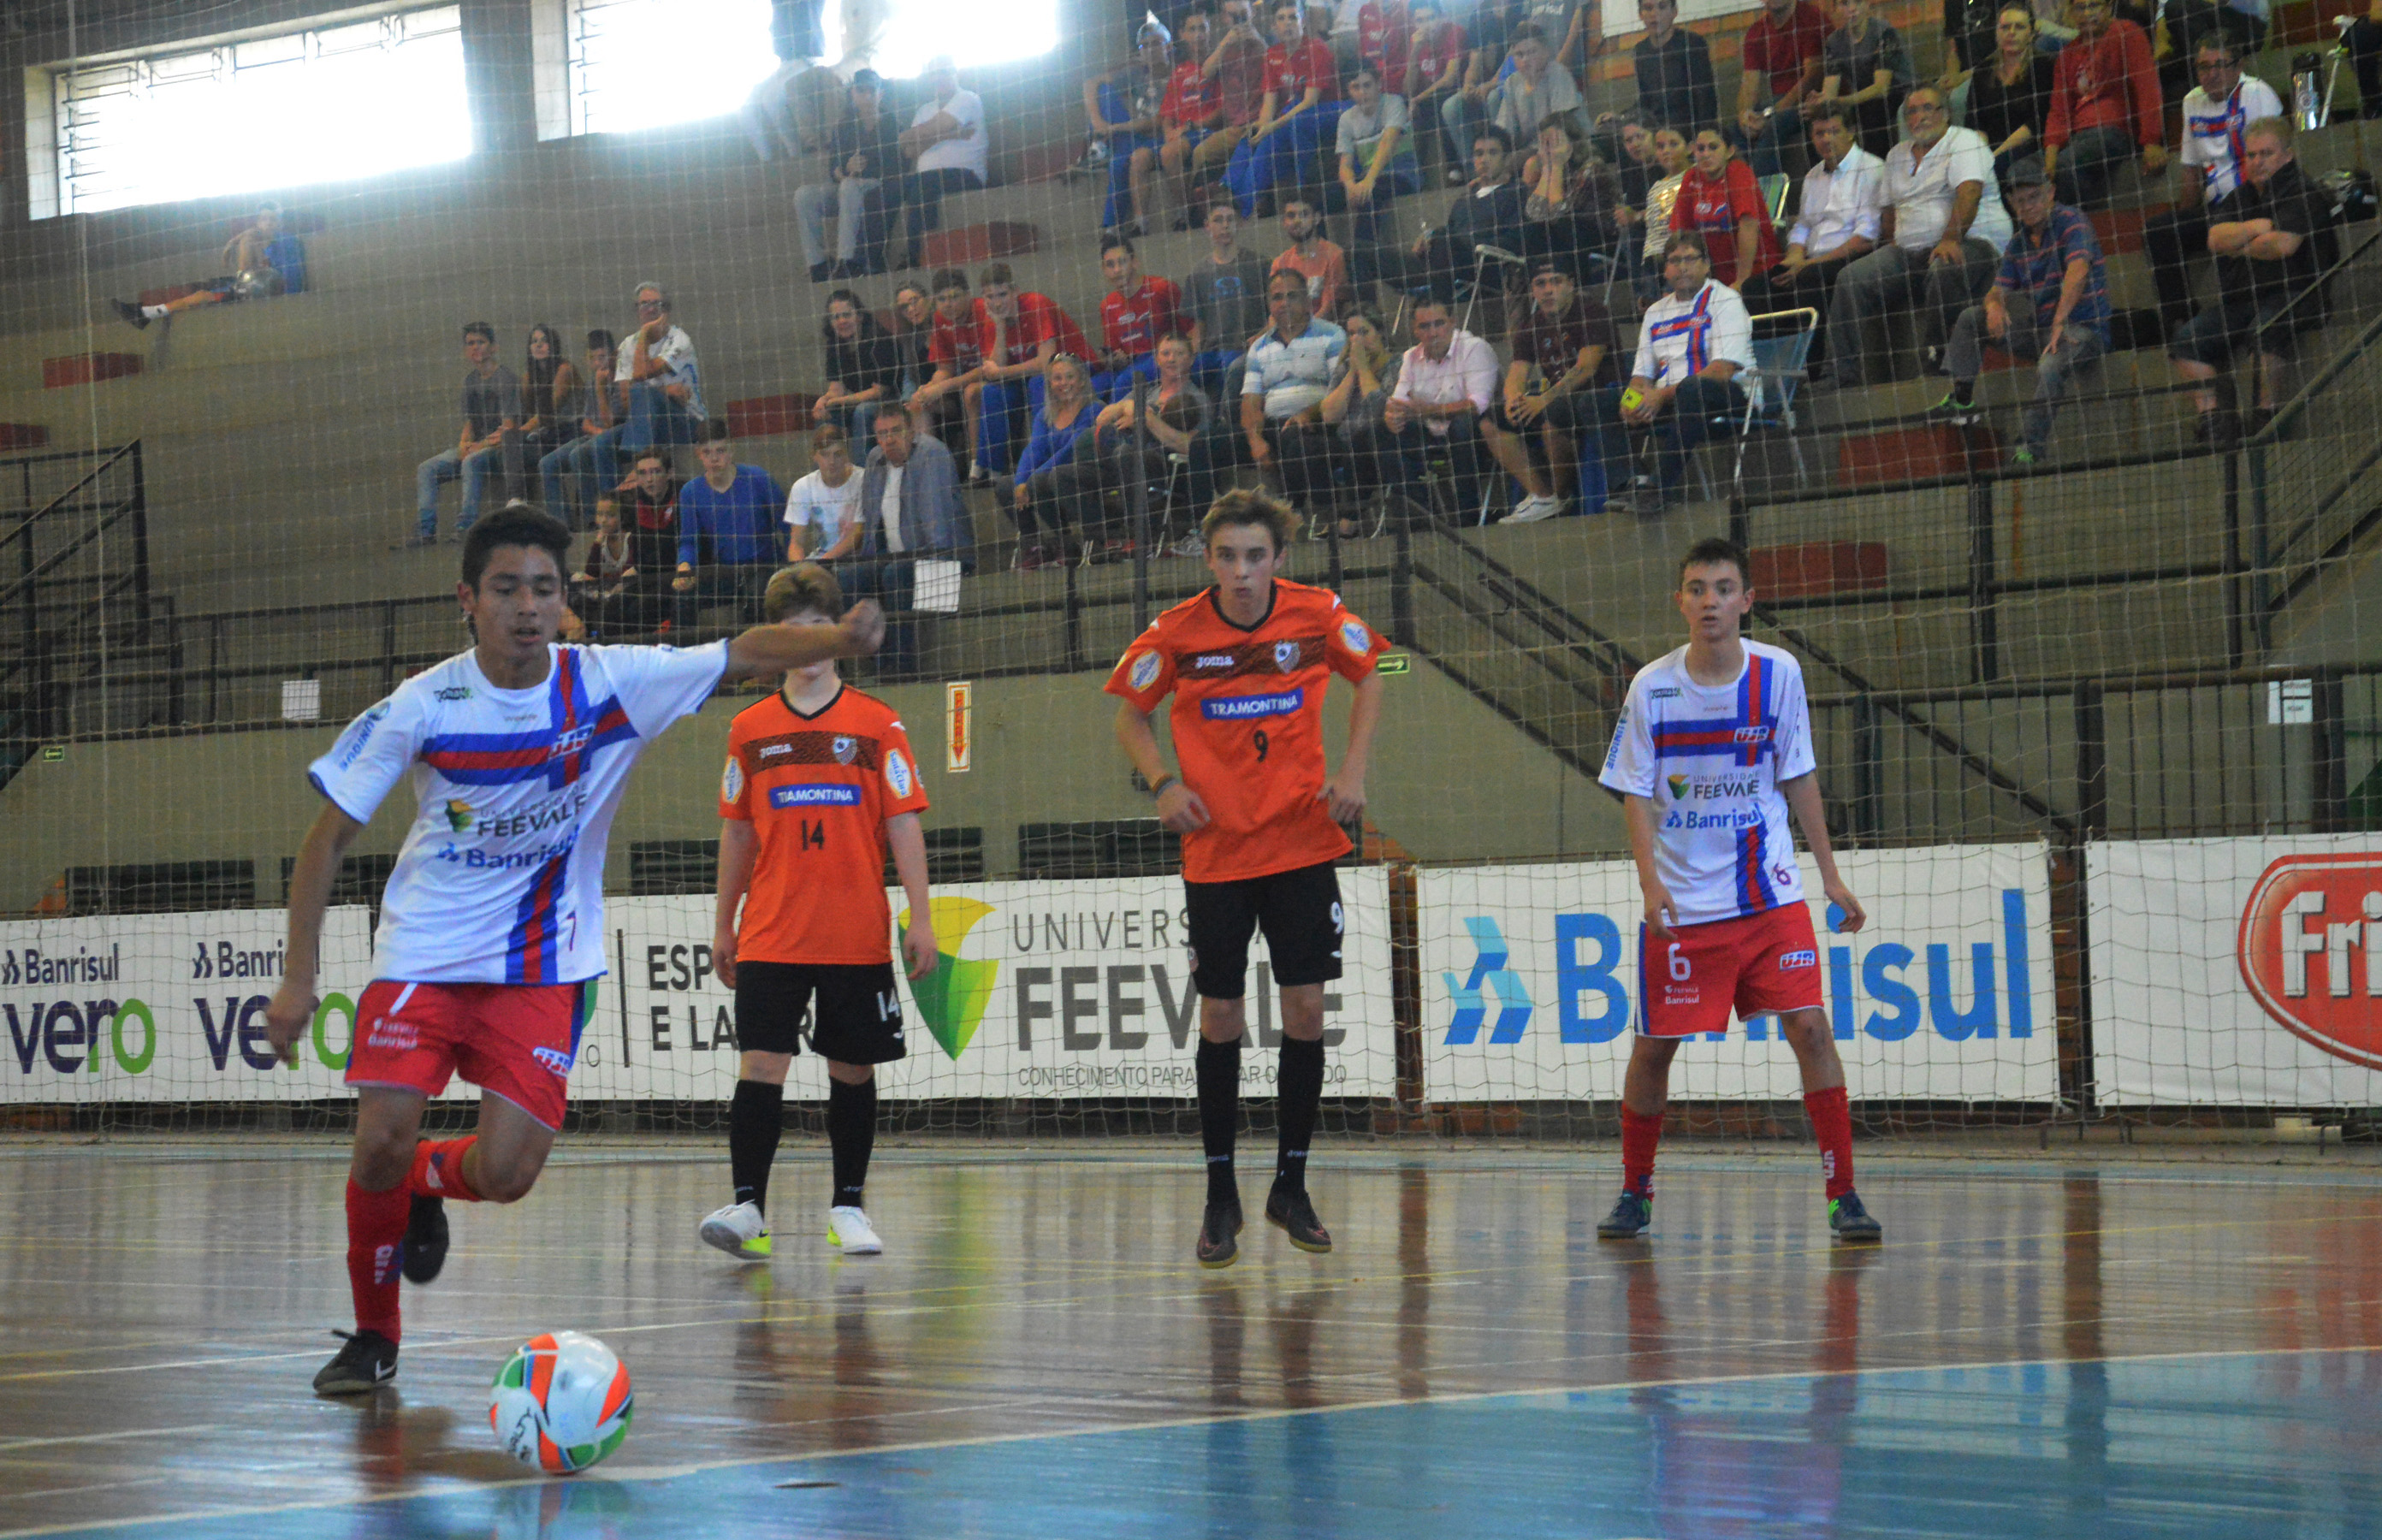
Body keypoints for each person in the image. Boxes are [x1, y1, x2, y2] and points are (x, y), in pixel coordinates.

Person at [264, 503, 885, 1395]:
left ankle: (428, 1183)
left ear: (565, 601)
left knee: (508, 1174)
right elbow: (326, 839)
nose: (527, 606)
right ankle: (373, 1335)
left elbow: (739, 652)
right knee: (378, 1141)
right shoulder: (423, 702)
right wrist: (298, 979)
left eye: (545, 590)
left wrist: (843, 644)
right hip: (423, 959)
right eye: (507, 588)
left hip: (546, 966)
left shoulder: (606, 683)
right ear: (467, 601)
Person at [1105, 489, 1388, 1268]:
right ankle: (1219, 1195)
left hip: (1302, 846)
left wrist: (1353, 768)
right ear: (1208, 560)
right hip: (1218, 855)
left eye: (1255, 556)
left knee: (1304, 1011)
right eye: (1227, 557)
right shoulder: (1176, 633)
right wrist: (1163, 782)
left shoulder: (1318, 613)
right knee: (1221, 1018)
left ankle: (1290, 1188)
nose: (1241, 571)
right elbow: (1129, 712)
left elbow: (1373, 676)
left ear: (1279, 558)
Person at [1590, 535, 1878, 1245]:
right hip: (1687, 908)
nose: (1709, 600)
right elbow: (1633, 792)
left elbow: (1799, 775)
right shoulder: (1652, 687)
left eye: (1723, 588)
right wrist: (1650, 885)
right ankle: (1635, 1191)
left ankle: (1844, 1195)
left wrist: (1830, 876)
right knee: (1655, 1049)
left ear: (1747, 601)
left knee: (1811, 1027)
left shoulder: (1778, 674)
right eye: (1697, 588)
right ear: (1680, 601)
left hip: (1770, 898)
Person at [699, 562, 935, 1265]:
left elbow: (904, 825)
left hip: (854, 933)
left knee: (853, 1071)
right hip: (772, 931)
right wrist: (723, 923)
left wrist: (920, 918)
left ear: (835, 638)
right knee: (760, 1065)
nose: (803, 648)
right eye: (789, 637)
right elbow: (737, 831)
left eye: (814, 634)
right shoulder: (748, 729)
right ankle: (748, 1210)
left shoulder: (877, 724)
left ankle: (848, 1208)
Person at [1827, 87, 2012, 388]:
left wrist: (1950, 239)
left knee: (1943, 267)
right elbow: (1889, 212)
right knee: (1851, 278)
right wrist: (1894, 249)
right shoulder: (1896, 155)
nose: (1920, 116)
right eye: (1912, 111)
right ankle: (1839, 374)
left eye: (1928, 108)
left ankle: (1936, 363)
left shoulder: (1964, 141)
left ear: (1946, 112)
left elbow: (1969, 194)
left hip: (1974, 244)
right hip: (1909, 252)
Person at [1930, 158, 2110, 465]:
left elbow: (2077, 271)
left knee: (2049, 367)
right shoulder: (2018, 243)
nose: (2027, 207)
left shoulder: (2072, 222)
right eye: (2019, 201)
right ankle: (1961, 399)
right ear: (2011, 204)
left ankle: (2030, 446)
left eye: (2033, 197)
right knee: (1971, 318)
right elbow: (1998, 288)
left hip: (2083, 329)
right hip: (2042, 331)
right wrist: (1994, 306)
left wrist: (2059, 320)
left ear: (2050, 193)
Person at [2169, 116, 2337, 445]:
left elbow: (2283, 245)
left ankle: (2266, 415)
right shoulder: (2240, 197)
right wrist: (2261, 227)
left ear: (2287, 155)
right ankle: (2213, 419)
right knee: (2186, 340)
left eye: (2267, 153)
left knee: (2263, 328)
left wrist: (2241, 243)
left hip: (2299, 292)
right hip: (2243, 298)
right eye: (2252, 155)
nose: (2258, 162)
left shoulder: (2305, 192)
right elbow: (2215, 239)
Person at [1582, 231, 1754, 515]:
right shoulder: (1655, 312)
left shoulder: (1725, 300)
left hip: (1724, 398)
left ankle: (1658, 490)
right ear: (1665, 269)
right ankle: (1631, 484)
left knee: (1692, 389)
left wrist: (1659, 396)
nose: (1682, 267)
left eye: (1690, 259)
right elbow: (1640, 377)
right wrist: (1631, 400)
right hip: (1672, 400)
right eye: (1674, 260)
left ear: (1706, 265)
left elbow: (1722, 370)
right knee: (1596, 401)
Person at [2145, 38, 2284, 339]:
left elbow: (2275, 157)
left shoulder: (2257, 94)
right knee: (2159, 230)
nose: (2212, 74)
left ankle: (2239, 317)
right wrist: (2186, 218)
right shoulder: (2191, 102)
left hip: (2255, 202)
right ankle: (2180, 317)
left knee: (2228, 231)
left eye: (2220, 65)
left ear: (2239, 66)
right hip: (2216, 207)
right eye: (2204, 67)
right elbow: (2190, 168)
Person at [1738, 105, 1881, 370]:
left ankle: (1812, 369)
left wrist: (1807, 265)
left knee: (1808, 279)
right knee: (1757, 289)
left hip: (1849, 256)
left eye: (1833, 131)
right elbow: (1802, 226)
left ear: (1851, 132)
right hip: (1809, 260)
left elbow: (1866, 238)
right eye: (1819, 133)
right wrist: (1794, 257)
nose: (1826, 139)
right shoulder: (1813, 175)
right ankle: (1774, 372)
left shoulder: (1872, 169)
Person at [850, 409, 970, 678]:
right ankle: (876, 662)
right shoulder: (874, 458)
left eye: (896, 431)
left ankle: (902, 668)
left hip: (939, 557)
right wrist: (868, 562)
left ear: (911, 432)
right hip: (892, 555)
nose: (889, 439)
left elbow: (936, 521)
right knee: (851, 577)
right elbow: (871, 521)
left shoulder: (931, 455)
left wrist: (940, 583)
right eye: (882, 433)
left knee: (895, 574)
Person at [1385, 299, 1528, 521]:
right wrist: (1392, 417)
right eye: (1424, 326)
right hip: (1433, 435)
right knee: (1382, 434)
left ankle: (1467, 515)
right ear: (1414, 330)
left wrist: (1426, 411)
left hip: (1481, 437)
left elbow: (1476, 405)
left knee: (1463, 425)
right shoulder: (1410, 357)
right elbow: (1398, 403)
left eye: (1439, 323)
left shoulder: (1475, 348)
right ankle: (1421, 517)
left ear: (1452, 322)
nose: (1433, 333)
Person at [1499, 258, 1620, 515]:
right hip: (1558, 400)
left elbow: (1586, 367)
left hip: (1599, 396)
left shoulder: (1593, 312)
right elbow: (1517, 371)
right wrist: (1513, 398)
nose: (1548, 289)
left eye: (1556, 281)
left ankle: (1559, 496)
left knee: (1553, 411)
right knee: (1494, 419)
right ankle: (1541, 494)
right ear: (1532, 290)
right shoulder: (1532, 325)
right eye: (1540, 284)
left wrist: (1543, 399)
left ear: (1571, 285)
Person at [1241, 270, 1350, 519]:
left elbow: (1342, 390)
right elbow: (1250, 401)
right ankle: (1197, 530)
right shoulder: (1259, 346)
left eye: (1292, 296)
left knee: (1296, 440)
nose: (1284, 303)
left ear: (1307, 300)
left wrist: (1307, 413)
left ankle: (1293, 516)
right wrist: (1255, 441)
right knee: (1208, 442)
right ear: (1269, 304)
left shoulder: (1332, 335)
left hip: (1320, 424)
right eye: (1277, 297)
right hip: (1272, 426)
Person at [1094, 331, 1223, 542]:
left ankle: (1141, 536)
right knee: (1074, 467)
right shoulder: (1146, 393)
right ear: (1157, 359)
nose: (1172, 359)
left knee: (1125, 453)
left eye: (1179, 353)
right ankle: (1102, 543)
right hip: (1125, 456)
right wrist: (1131, 406)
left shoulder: (1198, 399)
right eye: (1166, 353)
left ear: (1191, 359)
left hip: (1168, 463)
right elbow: (1101, 419)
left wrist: (1146, 420)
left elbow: (1193, 446)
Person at [974, 264, 1096, 480]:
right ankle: (991, 469)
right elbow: (992, 370)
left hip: (1075, 369)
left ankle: (1049, 456)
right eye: (990, 297)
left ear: (1016, 291)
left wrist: (1001, 371)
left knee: (1039, 383)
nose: (997, 302)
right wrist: (1000, 327)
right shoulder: (993, 317)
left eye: (1003, 294)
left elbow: (1045, 363)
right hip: (1025, 376)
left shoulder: (1035, 304)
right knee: (992, 392)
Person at [2041, 0, 2165, 210]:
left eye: (2094, 6)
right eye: (2080, 8)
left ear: (2108, 8)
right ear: (2071, 13)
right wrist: (2050, 156)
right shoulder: (2067, 55)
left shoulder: (2128, 33)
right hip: (2078, 141)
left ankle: (2083, 227)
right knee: (2021, 172)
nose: (2087, 13)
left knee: (2066, 165)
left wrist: (2151, 140)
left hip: (2115, 134)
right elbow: (2058, 112)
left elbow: (2147, 88)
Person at [1225, 1, 1346, 216]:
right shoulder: (1272, 54)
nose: (1287, 23)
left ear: (1303, 22)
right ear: (1273, 27)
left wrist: (1272, 125)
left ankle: (1303, 193)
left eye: (1293, 17)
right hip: (1291, 116)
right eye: (1281, 19)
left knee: (1288, 126)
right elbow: (1268, 105)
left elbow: (1310, 102)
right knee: (1254, 137)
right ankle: (1234, 201)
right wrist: (1261, 126)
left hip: (1329, 111)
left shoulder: (1316, 48)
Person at [406, 322, 518, 550]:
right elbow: (469, 421)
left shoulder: (505, 378)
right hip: (477, 446)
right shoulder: (469, 381)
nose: (475, 348)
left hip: (500, 450)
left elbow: (509, 426)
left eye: (481, 342)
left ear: (494, 347)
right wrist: (464, 443)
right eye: (470, 343)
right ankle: (425, 530)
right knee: (427, 468)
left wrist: (478, 447)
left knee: (470, 462)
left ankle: (466, 526)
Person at [108, 201, 305, 329]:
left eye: (273, 219)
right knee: (202, 295)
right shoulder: (266, 243)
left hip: (279, 292)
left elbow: (260, 248)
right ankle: (147, 313)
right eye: (263, 219)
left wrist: (234, 241)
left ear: (280, 223)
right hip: (260, 288)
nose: (268, 223)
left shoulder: (287, 240)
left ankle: (146, 314)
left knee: (246, 241)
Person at [672, 421, 785, 631]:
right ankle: (683, 657)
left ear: (731, 450)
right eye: (707, 452)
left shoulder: (758, 478)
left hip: (764, 565)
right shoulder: (691, 491)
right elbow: (689, 542)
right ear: (699, 454)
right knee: (682, 595)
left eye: (720, 451)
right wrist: (684, 566)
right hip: (725, 571)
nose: (714, 458)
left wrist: (791, 567)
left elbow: (786, 526)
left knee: (757, 597)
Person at [796, 69, 901, 281]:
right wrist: (847, 169)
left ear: (880, 94)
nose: (866, 96)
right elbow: (833, 170)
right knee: (804, 195)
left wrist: (859, 173)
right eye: (861, 90)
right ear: (852, 93)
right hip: (846, 185)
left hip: (875, 186)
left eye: (872, 91)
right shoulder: (843, 126)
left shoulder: (891, 124)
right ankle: (817, 264)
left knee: (849, 187)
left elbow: (895, 169)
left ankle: (847, 260)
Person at [886, 56, 988, 270]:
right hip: (927, 178)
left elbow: (931, 128)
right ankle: (870, 259)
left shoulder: (967, 98)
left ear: (955, 73)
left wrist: (905, 135)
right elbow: (911, 151)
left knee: (924, 185)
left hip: (966, 175)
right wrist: (949, 135)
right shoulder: (924, 110)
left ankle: (915, 255)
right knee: (888, 190)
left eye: (944, 72)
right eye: (934, 74)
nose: (939, 78)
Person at [1010, 354, 1109, 568]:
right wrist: (1020, 481)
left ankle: (1087, 541)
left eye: (1069, 377)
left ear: (1082, 380)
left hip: (1088, 473)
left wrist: (1030, 480)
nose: (1064, 384)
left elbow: (1069, 450)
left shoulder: (1095, 409)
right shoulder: (1045, 416)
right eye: (1057, 378)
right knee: (1005, 487)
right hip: (1053, 474)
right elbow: (1033, 449)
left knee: (1041, 481)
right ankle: (1042, 545)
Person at [1319, 305, 1405, 529]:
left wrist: (1364, 370)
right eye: (1351, 334)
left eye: (1364, 332)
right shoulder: (1346, 367)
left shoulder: (1398, 364)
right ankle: (1316, 517)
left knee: (1361, 442)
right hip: (1344, 439)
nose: (1357, 340)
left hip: (1382, 440)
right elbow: (1329, 415)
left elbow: (1380, 408)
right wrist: (1352, 372)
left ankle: (1349, 521)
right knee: (1305, 446)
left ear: (1380, 333)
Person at [1087, 23, 1176, 234]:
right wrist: (1098, 121)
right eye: (1143, 46)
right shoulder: (1137, 74)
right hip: (1137, 137)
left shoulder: (1177, 74)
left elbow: (1158, 121)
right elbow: (1090, 83)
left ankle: (1101, 145)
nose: (1150, 50)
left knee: (1124, 160)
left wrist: (1114, 128)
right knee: (1105, 92)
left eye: (1156, 44)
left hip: (1164, 138)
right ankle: (1111, 230)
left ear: (1169, 47)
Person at [1182, 202, 1276, 396]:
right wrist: (1187, 355)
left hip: (1245, 347)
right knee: (1179, 370)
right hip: (1211, 352)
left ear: (1240, 223)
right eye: (1218, 220)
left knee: (1231, 366)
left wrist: (1262, 336)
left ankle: (1224, 420)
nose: (1225, 225)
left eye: (1230, 219)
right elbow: (1199, 327)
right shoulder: (1198, 274)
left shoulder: (1260, 265)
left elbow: (1275, 314)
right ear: (1207, 226)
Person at [1668, 126, 1779, 290]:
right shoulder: (1691, 177)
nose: (1706, 154)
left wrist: (1742, 281)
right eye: (1700, 149)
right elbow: (1681, 235)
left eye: (1713, 147)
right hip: (1715, 280)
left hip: (1759, 272)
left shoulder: (1738, 172)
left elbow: (1748, 226)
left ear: (1729, 151)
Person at [1524, 112, 1626, 285]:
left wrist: (1554, 166)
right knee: (1532, 229)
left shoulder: (1592, 167)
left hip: (1600, 237)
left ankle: (1575, 288)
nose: (1548, 148)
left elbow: (1560, 214)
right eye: (1544, 143)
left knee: (1565, 225)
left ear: (1571, 142)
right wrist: (1548, 168)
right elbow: (1533, 213)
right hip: (1568, 237)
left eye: (1553, 141)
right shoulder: (1551, 169)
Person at [540, 330, 627, 530]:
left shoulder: (621, 382)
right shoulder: (591, 383)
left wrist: (600, 388)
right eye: (593, 359)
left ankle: (592, 520)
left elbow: (610, 425)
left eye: (603, 357)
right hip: (593, 434)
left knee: (579, 455)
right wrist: (595, 431)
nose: (599, 364)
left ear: (614, 355)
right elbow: (585, 423)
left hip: (615, 436)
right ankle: (560, 525)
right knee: (547, 463)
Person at [1190, 0, 1276, 203]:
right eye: (1233, 16)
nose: (1239, 21)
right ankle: (1200, 208)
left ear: (1252, 13)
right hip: (1234, 127)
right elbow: (1206, 72)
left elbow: (1279, 68)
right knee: (1201, 153)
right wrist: (1224, 44)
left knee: (1254, 148)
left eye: (1242, 16)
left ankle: (1257, 201)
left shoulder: (1267, 40)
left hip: (1263, 122)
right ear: (1224, 18)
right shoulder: (1223, 45)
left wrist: (1258, 41)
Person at [1737, 0, 1829, 178]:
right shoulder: (1757, 32)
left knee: (1775, 124)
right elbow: (1749, 82)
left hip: (1811, 99)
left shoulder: (1811, 18)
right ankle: (1735, 194)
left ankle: (1760, 196)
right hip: (1776, 103)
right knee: (1734, 131)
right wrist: (1744, 115)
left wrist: (1772, 113)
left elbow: (1812, 78)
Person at [1958, 6, 2057, 173]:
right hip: (1989, 149)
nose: (2011, 32)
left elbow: (2037, 122)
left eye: (2019, 27)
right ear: (1996, 33)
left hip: (2028, 146)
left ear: (2031, 33)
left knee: (1996, 169)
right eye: (2005, 27)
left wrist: (1993, 157)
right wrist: (1982, 155)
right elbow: (1975, 120)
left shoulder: (2043, 65)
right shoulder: (1984, 69)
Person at [613, 282, 707, 454]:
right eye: (644, 304)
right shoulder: (626, 345)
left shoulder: (680, 340)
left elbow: (640, 375)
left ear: (666, 311)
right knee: (591, 451)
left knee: (642, 391)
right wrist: (666, 391)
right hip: (645, 421)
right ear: (637, 310)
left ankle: (638, 466)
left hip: (687, 420)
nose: (650, 309)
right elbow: (626, 400)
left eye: (657, 304)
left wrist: (645, 333)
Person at [1814, 0, 1915, 157]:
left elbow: (1881, 88)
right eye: (1845, 3)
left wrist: (1841, 101)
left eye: (1858, 2)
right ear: (1836, 9)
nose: (1852, 9)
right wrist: (1819, 103)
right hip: (1862, 99)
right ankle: (1828, 173)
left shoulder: (1884, 32)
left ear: (1868, 4)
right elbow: (1830, 91)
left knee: (1872, 112)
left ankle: (1878, 169)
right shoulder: (1834, 42)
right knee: (1818, 119)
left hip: (1899, 93)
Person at [1337, 65, 1424, 242]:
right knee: (1322, 200)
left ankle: (1363, 255)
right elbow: (1345, 163)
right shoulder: (1346, 118)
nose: (1362, 92)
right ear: (1349, 91)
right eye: (1356, 87)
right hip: (1368, 177)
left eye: (1367, 85)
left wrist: (1369, 180)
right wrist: (1351, 186)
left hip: (1402, 174)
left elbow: (1388, 143)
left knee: (1371, 194)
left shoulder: (1394, 102)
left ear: (1379, 84)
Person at [1095, 234, 1188, 399]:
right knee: (1092, 387)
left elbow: (1191, 331)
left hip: (1162, 358)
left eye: (1122, 262)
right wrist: (1113, 358)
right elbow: (1114, 349)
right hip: (1129, 365)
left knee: (1124, 381)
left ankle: (1112, 424)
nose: (1117, 270)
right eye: (1110, 265)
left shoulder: (1162, 288)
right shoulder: (1107, 305)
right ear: (1103, 270)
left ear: (1135, 262)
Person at [1159, 10, 1228, 226]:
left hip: (1209, 131)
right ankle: (1189, 212)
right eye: (1192, 29)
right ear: (1182, 34)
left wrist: (1190, 126)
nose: (1198, 34)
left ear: (1209, 31)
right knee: (1165, 150)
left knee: (1170, 152)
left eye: (1202, 28)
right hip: (1184, 136)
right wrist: (1169, 133)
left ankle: (1189, 214)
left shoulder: (1220, 63)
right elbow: (1167, 116)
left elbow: (1224, 110)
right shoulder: (1179, 71)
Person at [813, 290, 905, 447]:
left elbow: (880, 390)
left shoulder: (879, 338)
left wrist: (840, 400)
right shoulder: (834, 344)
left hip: (890, 399)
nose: (842, 321)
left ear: (860, 316)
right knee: (825, 414)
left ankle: (862, 470)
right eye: (836, 317)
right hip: (856, 401)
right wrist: (823, 401)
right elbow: (836, 388)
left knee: (863, 412)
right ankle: (827, 469)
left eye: (847, 315)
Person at [1395, 0, 1472, 170]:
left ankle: (1456, 168)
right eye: (1420, 21)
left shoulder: (1454, 32)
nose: (1427, 25)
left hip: (1455, 91)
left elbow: (1450, 78)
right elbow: (1407, 89)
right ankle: (1410, 173)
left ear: (1442, 17)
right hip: (1428, 98)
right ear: (1414, 23)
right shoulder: (1416, 42)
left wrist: (1417, 98)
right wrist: (1415, 52)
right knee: (1399, 105)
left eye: (1431, 18)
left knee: (1441, 100)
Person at [513, 326, 582, 512]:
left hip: (573, 430)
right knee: (514, 448)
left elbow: (547, 413)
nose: (539, 345)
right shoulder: (528, 377)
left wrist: (520, 432)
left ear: (553, 346)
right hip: (549, 434)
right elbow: (528, 413)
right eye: (534, 341)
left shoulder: (565, 370)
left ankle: (559, 518)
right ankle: (518, 501)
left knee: (521, 443)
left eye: (544, 340)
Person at [564, 497, 649, 640]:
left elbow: (630, 573)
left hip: (626, 591)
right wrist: (597, 543)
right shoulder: (602, 542)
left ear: (622, 517)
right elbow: (590, 574)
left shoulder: (630, 539)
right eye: (599, 514)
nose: (603, 520)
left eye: (610, 515)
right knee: (576, 579)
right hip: (605, 591)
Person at [1631, 0, 1717, 135]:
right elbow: (1644, 101)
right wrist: (1620, 118)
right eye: (1648, 8)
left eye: (1662, 7)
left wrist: (1703, 136)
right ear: (1640, 15)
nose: (1654, 14)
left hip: (1688, 129)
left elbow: (1706, 99)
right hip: (1655, 131)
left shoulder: (1693, 44)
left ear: (1674, 12)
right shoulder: (1640, 51)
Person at [785, 422, 867, 561]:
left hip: (858, 559)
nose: (832, 461)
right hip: (821, 559)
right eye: (825, 455)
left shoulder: (863, 480)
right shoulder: (802, 487)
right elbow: (796, 543)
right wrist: (799, 570)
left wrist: (823, 564)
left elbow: (856, 535)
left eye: (838, 454)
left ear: (847, 454)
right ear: (814, 456)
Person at [1489, 21, 1582, 142]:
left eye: (1532, 52)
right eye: (1519, 54)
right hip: (1534, 150)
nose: (1525, 60)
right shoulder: (1512, 82)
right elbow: (1505, 129)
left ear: (1546, 51)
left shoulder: (1558, 74)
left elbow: (1563, 127)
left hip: (1567, 145)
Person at [1633, 126, 1693, 298]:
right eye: (1660, 146)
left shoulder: (1695, 176)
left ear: (1689, 147)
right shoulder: (1655, 188)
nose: (1666, 151)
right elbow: (1651, 229)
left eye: (1673, 144)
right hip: (1654, 258)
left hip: (1680, 254)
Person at [1271, 194, 1352, 320]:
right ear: (1284, 223)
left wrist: (1300, 334)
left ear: (1317, 218)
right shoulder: (1280, 263)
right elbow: (1275, 311)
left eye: (1304, 214)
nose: (1297, 220)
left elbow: (1329, 310)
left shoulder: (1334, 255)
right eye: (1291, 216)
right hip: (1288, 331)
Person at [620, 452, 681, 610]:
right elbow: (640, 553)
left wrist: (638, 569)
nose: (649, 479)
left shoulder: (683, 496)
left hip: (679, 575)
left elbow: (673, 550)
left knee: (640, 607)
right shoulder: (636, 504)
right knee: (614, 604)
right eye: (643, 473)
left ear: (670, 473)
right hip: (648, 577)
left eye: (656, 472)